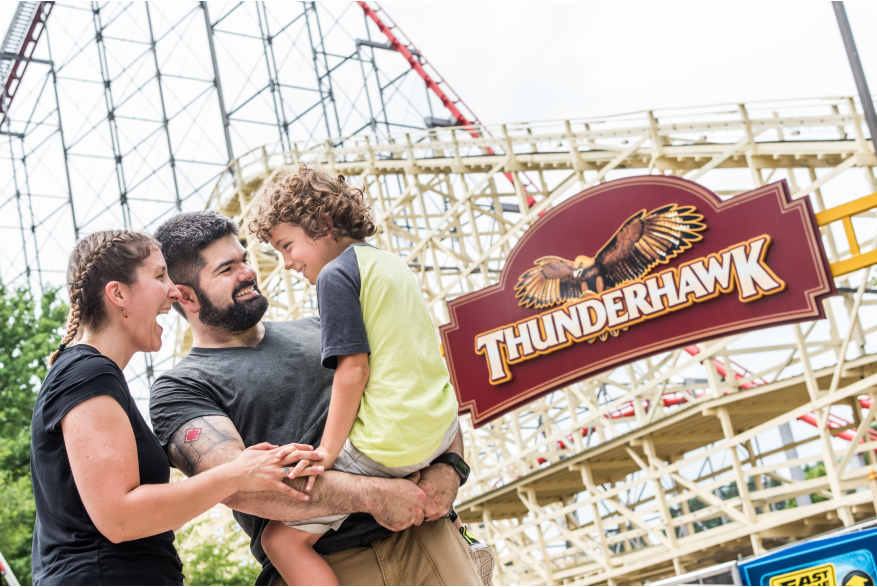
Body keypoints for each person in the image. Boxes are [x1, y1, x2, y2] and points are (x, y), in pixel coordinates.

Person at [149, 211, 490, 586]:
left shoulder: (323, 327)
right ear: (184, 296)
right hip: (331, 564)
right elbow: (238, 485)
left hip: (427, 539)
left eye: (244, 259)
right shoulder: (181, 387)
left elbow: (419, 389)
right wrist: (374, 495)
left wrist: (451, 468)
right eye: (227, 268)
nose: (248, 272)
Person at [30, 230, 312, 586]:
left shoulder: (92, 374)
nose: (175, 290)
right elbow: (120, 518)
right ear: (118, 294)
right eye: (160, 276)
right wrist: (236, 474)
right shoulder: (87, 372)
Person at [247, 164, 464, 586]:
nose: (287, 262)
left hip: (390, 441)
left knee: (279, 541)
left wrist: (327, 454)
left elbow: (353, 370)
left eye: (287, 246)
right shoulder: (391, 264)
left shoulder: (336, 276)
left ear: (324, 223)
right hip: (437, 430)